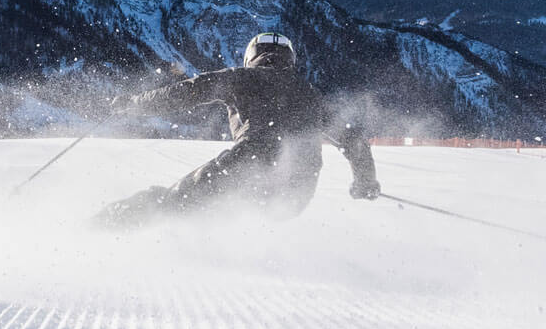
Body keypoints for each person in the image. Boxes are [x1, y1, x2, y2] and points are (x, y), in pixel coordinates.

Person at [97, 31, 379, 226]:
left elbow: (183, 93)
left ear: (251, 56)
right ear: (289, 60)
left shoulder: (240, 78)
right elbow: (353, 140)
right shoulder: (312, 95)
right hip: (298, 190)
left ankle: (102, 226)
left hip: (250, 164)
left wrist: (133, 104)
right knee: (227, 214)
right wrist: (365, 182)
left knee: (172, 203)